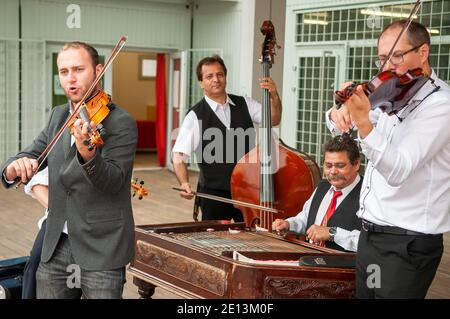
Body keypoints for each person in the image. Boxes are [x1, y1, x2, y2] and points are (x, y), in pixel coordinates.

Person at [1, 41, 138, 299]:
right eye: (64, 72)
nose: (70, 79)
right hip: (57, 243)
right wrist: (12, 168)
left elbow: (113, 181)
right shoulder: (59, 116)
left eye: (78, 69)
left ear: (98, 71)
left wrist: (89, 156)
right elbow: (31, 153)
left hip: (102, 247)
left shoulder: (121, 122)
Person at [327, 20, 450, 298]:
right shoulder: (392, 94)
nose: (387, 67)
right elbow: (338, 124)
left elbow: (398, 170)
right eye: (383, 58)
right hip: (370, 237)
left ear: (423, 52)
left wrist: (364, 125)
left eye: (397, 56)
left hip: (406, 244)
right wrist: (339, 111)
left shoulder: (441, 105)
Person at [172, 55, 282, 222]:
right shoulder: (195, 115)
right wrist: (184, 182)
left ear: (225, 77)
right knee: (214, 244)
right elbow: (179, 155)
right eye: (209, 76)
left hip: (248, 191)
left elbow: (273, 120)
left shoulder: (245, 103)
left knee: (251, 241)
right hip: (214, 195)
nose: (216, 79)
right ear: (201, 83)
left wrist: (274, 96)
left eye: (220, 74)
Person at [272, 135, 362, 252]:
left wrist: (332, 233)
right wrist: (289, 224)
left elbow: (371, 242)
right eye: (328, 166)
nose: (333, 172)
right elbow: (306, 218)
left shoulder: (369, 194)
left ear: (356, 164)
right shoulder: (322, 186)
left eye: (340, 166)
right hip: (310, 260)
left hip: (344, 268)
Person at [21, 168, 49, 299]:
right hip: (58, 221)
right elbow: (37, 180)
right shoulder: (56, 147)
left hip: (101, 224)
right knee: (34, 267)